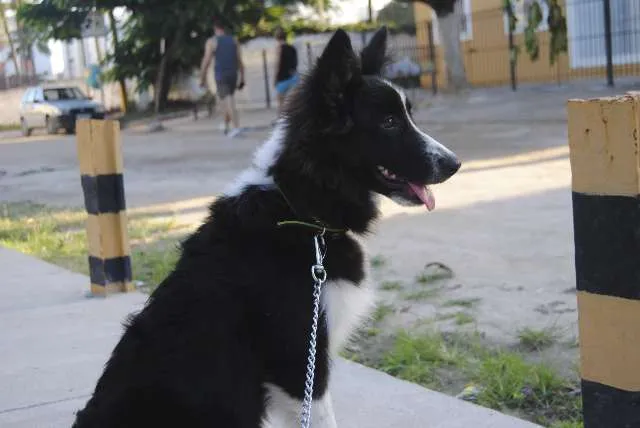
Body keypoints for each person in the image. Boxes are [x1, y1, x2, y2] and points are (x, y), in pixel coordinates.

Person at [200, 19, 245, 138]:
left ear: (215, 29)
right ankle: (225, 125)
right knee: (224, 100)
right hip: (233, 74)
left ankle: (236, 127)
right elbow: (240, 60)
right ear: (224, 29)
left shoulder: (212, 41)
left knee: (228, 100)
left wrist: (202, 78)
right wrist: (242, 77)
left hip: (221, 74)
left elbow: (206, 61)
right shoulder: (234, 40)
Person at [273, 27, 298, 115]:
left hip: (283, 78)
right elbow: (295, 63)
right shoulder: (292, 48)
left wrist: (275, 79)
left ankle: (281, 120)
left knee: (280, 101)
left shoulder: (279, 48)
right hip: (294, 77)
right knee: (292, 101)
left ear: (276, 37)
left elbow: (277, 64)